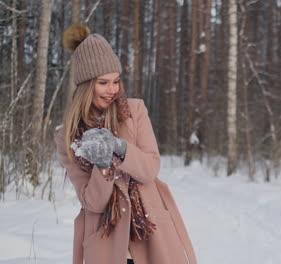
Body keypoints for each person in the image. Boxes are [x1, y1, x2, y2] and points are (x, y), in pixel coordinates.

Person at [54, 24, 197, 264]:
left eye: (116, 81)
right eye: (103, 83)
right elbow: (92, 202)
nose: (112, 90)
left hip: (150, 232)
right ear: (86, 86)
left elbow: (150, 169)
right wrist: (102, 166)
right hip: (106, 239)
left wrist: (119, 148)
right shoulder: (67, 136)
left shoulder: (135, 111)